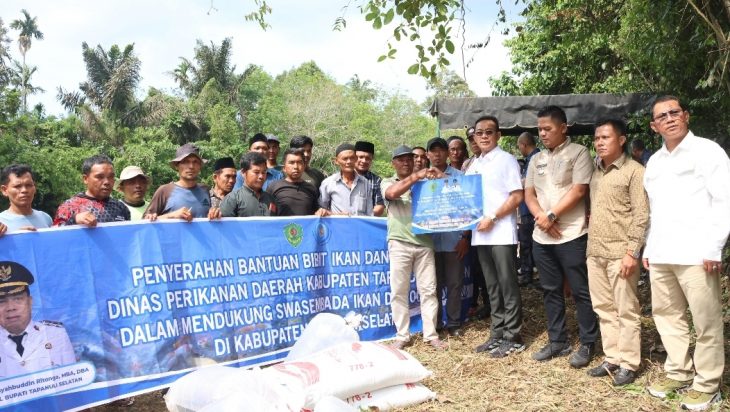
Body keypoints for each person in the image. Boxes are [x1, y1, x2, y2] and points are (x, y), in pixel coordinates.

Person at [643, 95, 729, 410]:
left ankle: (707, 384)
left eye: (674, 112)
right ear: (654, 126)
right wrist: (649, 246)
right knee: (667, 317)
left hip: (697, 253)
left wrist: (714, 247)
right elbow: (655, 210)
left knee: (706, 322)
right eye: (662, 116)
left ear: (686, 116)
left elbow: (724, 200)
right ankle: (678, 372)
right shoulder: (655, 162)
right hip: (662, 252)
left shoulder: (707, 151)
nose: (669, 118)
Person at [524, 105, 598, 368]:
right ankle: (558, 341)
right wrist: (542, 218)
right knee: (550, 290)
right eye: (540, 130)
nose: (543, 134)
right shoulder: (536, 159)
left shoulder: (579, 153)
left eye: (548, 129)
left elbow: (579, 191)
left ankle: (588, 342)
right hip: (542, 237)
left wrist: (552, 215)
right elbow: (529, 194)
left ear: (563, 128)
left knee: (580, 291)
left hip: (572, 234)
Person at [586, 119, 648, 386]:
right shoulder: (596, 171)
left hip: (620, 253)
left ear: (621, 140)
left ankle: (629, 363)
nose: (599, 142)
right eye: (597, 138)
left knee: (626, 310)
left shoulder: (635, 171)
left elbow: (641, 215)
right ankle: (612, 357)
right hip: (595, 251)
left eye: (605, 137)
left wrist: (632, 252)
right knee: (603, 308)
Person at [464, 116, 525, 358]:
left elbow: (517, 196)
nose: (484, 136)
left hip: (500, 233)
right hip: (480, 235)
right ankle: (497, 333)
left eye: (489, 132)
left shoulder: (506, 160)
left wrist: (493, 217)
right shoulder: (474, 164)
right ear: (474, 136)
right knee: (492, 286)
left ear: (498, 135)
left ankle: (513, 336)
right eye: (479, 132)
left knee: (507, 285)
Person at [382, 145, 447, 351]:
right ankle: (402, 335)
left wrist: (441, 176)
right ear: (393, 163)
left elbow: (454, 192)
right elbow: (392, 193)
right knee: (399, 292)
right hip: (399, 243)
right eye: (401, 159)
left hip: (424, 243)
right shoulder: (387, 182)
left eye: (409, 159)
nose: (406, 162)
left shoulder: (426, 183)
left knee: (428, 291)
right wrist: (417, 176)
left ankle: (431, 335)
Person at [0, 261, 75, 378]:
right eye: (1, 301)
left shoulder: (56, 335)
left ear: (30, 302)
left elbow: (72, 382)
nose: (11, 307)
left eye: (18, 299)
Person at [426, 137, 466, 337]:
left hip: (453, 240)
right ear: (428, 155)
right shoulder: (421, 179)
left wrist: (465, 237)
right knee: (433, 285)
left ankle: (454, 323)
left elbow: (468, 207)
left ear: (447, 153)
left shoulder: (460, 177)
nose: (437, 154)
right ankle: (436, 324)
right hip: (429, 241)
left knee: (454, 284)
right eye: (433, 151)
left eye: (441, 150)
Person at [144, 143, 220, 221]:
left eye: (195, 162)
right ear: (176, 165)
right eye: (186, 162)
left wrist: (215, 213)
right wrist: (171, 215)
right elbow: (144, 222)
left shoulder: (206, 190)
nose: (191, 166)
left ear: (200, 166)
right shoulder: (165, 191)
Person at [54, 155, 130, 226]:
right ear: (85, 179)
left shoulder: (120, 207)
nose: (107, 182)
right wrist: (74, 220)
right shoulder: (69, 207)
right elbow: (56, 233)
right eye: (100, 177)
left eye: (111, 177)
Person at [267, 148, 328, 216]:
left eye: (299, 162)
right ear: (284, 168)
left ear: (304, 166)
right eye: (291, 163)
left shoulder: (311, 188)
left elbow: (316, 213)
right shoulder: (273, 187)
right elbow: (267, 213)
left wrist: (321, 211)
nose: (296, 167)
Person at [319, 143, 374, 216]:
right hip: (337, 223)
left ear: (356, 159)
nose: (349, 162)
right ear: (336, 161)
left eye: (352, 158)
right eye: (345, 159)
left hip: (360, 223)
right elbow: (322, 211)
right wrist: (337, 215)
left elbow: (370, 214)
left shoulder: (365, 183)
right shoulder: (328, 183)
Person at [516, 132, 540, 287]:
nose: (520, 150)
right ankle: (529, 273)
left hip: (531, 209)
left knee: (527, 243)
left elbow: (526, 183)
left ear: (523, 145)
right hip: (529, 208)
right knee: (529, 243)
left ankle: (527, 274)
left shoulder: (535, 159)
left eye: (519, 147)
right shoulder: (533, 158)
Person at [220, 152, 276, 217]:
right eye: (256, 172)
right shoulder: (233, 199)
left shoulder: (270, 199)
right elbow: (224, 223)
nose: (261, 176)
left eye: (264, 172)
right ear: (243, 172)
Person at [0, 165, 51, 233]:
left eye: (29, 185)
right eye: (17, 186)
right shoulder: (1, 223)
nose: (24, 190)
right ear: (4, 190)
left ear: (35, 187)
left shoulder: (45, 219)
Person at [354, 140, 385, 216]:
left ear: (371, 160)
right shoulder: (340, 178)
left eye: (368, 158)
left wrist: (361, 217)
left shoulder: (377, 180)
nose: (364, 161)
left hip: (367, 221)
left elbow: (379, 207)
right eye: (360, 157)